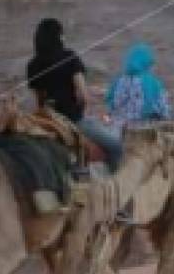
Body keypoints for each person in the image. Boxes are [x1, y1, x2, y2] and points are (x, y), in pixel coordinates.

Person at [26, 18, 123, 173]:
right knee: (116, 146)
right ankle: (114, 186)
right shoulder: (69, 56)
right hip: (73, 120)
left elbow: (39, 100)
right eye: (62, 34)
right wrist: (81, 107)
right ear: (58, 36)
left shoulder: (32, 65)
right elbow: (83, 95)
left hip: (46, 121)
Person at [106, 42, 171, 135]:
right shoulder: (152, 83)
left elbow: (112, 105)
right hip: (144, 134)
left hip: (117, 132)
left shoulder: (117, 82)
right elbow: (163, 111)